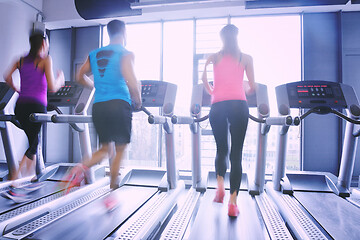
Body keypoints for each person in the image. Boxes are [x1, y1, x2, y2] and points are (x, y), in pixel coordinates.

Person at [66, 20, 142, 209]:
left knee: (104, 149)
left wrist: (95, 86)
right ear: (124, 31)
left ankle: (80, 168)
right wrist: (138, 99)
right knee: (120, 148)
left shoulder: (94, 54)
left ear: (108, 32)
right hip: (119, 104)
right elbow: (131, 80)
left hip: (99, 105)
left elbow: (79, 75)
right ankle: (112, 191)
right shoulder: (125, 53)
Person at [2, 31, 65, 201]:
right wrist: (61, 79)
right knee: (34, 142)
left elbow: (6, 76)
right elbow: (52, 86)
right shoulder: (45, 60)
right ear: (43, 44)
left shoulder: (21, 60)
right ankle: (14, 179)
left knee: (32, 140)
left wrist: (17, 88)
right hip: (36, 107)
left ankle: (30, 178)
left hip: (20, 106)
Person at [201, 24, 256, 217]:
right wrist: (244, 90)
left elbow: (204, 79)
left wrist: (213, 92)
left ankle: (220, 187)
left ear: (221, 38)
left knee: (221, 149)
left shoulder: (214, 57)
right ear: (237, 36)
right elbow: (252, 87)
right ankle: (233, 203)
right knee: (236, 154)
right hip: (239, 105)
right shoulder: (246, 58)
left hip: (217, 106)